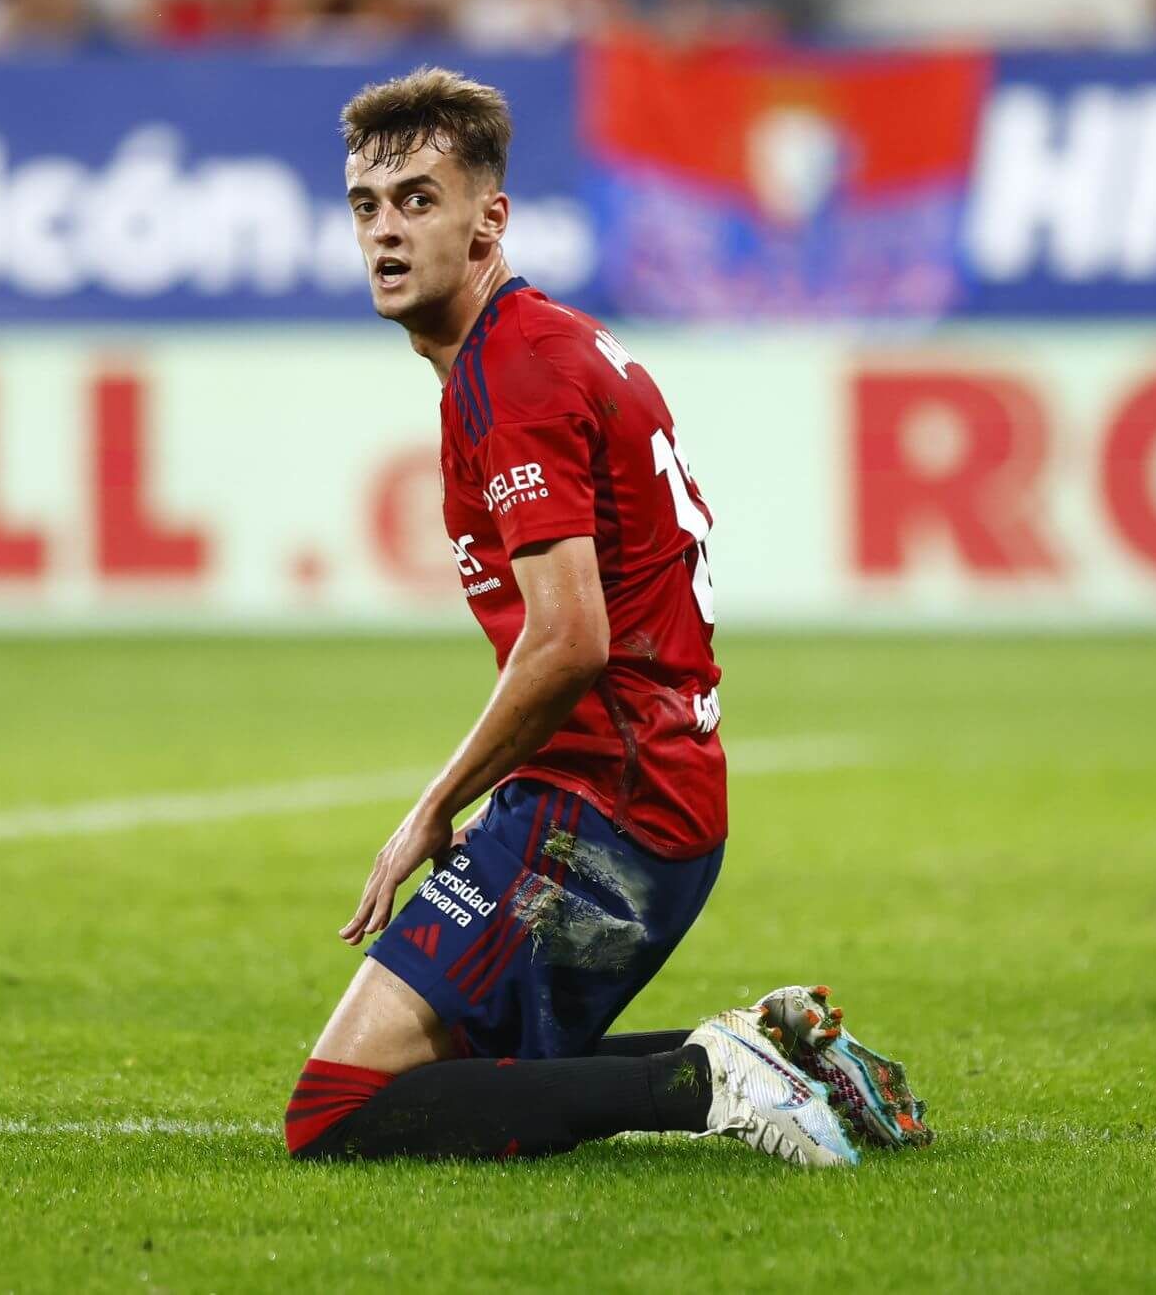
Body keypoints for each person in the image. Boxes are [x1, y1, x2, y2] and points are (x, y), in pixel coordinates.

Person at [284, 67, 931, 1166]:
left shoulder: (516, 374)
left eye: (418, 200)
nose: (386, 232)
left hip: (600, 812)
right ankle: (784, 1050)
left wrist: (431, 809)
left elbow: (569, 635)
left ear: (489, 218)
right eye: (366, 206)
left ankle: (708, 1079)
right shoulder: (532, 348)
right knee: (457, 1080)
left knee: (338, 1108)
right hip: (643, 795)